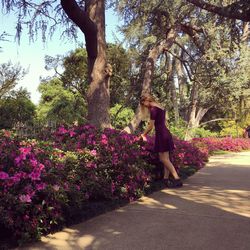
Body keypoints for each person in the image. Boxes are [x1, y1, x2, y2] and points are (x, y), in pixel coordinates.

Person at [139, 94, 183, 188]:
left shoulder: (153, 109)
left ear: (147, 100)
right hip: (164, 133)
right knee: (165, 159)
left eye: (143, 103)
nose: (144, 106)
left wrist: (143, 134)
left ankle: (177, 179)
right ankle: (165, 180)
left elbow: (150, 126)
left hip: (162, 135)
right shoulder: (159, 106)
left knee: (163, 159)